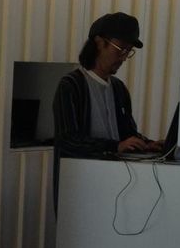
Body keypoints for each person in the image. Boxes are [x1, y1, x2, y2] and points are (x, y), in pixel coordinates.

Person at [53, 12, 161, 159]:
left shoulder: (119, 88)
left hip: (113, 174)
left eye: (128, 51)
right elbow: (68, 140)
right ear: (99, 42)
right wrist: (115, 146)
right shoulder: (71, 85)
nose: (123, 57)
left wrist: (147, 144)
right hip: (80, 176)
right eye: (120, 49)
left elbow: (127, 134)